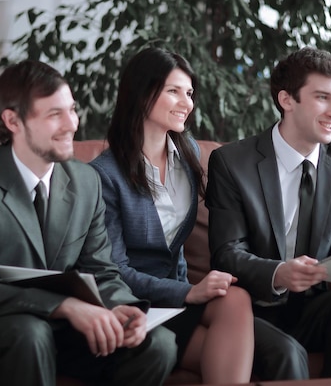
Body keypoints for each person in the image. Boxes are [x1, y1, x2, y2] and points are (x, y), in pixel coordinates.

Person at [0, 60, 177, 386]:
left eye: (71, 110)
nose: (72, 124)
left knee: (158, 344)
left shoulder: (87, 182)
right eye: (55, 114)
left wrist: (123, 308)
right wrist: (65, 306)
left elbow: (102, 271)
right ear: (12, 120)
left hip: (65, 334)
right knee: (30, 334)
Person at [205, 46, 331, 379]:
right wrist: (279, 273)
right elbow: (226, 254)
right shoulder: (232, 163)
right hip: (253, 310)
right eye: (322, 98)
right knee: (289, 353)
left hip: (314, 306)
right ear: (287, 100)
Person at [89, 47, 254, 383]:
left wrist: (187, 290)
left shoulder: (189, 153)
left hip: (178, 296)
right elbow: (116, 271)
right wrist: (188, 293)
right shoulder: (104, 174)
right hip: (137, 305)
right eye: (173, 91)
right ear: (142, 94)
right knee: (232, 350)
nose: (187, 103)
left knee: (236, 298)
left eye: (189, 93)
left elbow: (174, 248)